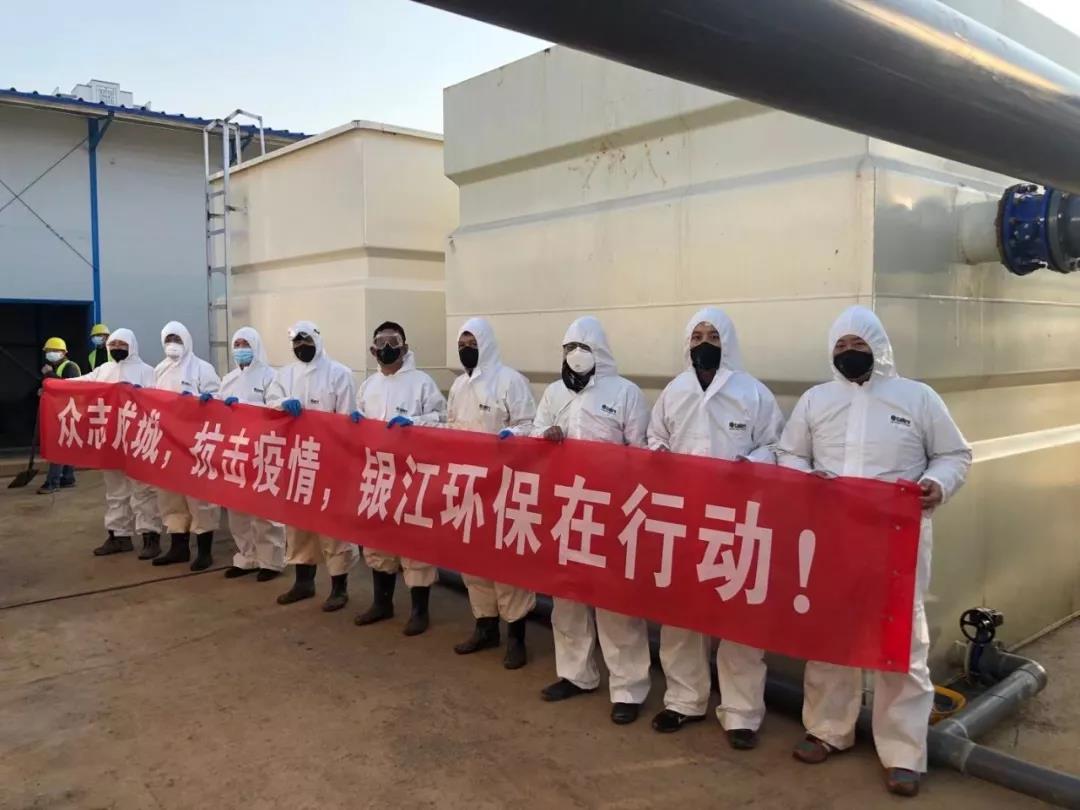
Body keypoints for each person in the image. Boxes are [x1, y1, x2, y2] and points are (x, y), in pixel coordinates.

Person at [777, 305, 971, 798]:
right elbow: (789, 453)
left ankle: (903, 752)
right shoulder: (817, 400)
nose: (849, 353)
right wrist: (808, 479)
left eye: (858, 344)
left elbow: (953, 454)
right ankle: (827, 729)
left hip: (896, 539)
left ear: (879, 347)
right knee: (831, 633)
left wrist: (937, 484)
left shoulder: (917, 397)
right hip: (834, 537)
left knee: (900, 641)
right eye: (841, 346)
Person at [646, 307, 784, 748]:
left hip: (737, 521)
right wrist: (659, 452)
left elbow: (776, 446)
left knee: (738, 619)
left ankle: (741, 713)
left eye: (713, 336)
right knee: (681, 615)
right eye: (697, 336)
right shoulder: (674, 392)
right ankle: (684, 700)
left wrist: (750, 464)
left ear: (728, 342)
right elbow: (655, 437)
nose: (704, 343)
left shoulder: (753, 393)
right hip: (684, 517)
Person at [529, 315, 651, 725]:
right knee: (567, 598)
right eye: (569, 348)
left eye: (584, 348)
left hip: (611, 512)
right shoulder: (553, 393)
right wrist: (546, 437)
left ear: (600, 351)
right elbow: (535, 435)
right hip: (566, 509)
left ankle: (629, 688)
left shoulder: (625, 392)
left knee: (616, 603)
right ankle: (575, 674)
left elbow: (641, 452)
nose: (575, 355)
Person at [446, 317, 537, 668]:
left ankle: (516, 636)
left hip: (505, 486)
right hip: (468, 486)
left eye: (473, 343)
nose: (467, 349)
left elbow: (530, 424)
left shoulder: (511, 381)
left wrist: (514, 437)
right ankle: (485, 626)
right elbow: (450, 427)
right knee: (473, 561)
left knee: (507, 564)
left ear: (487, 344)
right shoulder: (458, 386)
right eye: (462, 344)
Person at [353, 321, 447, 636]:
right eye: (381, 343)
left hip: (412, 476)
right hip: (378, 476)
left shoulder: (422, 383)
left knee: (414, 544)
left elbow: (443, 419)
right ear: (373, 350)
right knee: (378, 542)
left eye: (393, 342)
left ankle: (420, 611)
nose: (387, 348)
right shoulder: (368, 386)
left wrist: (416, 422)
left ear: (404, 347)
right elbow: (358, 423)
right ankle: (382, 603)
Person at [268, 320, 359, 611]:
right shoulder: (285, 374)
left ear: (318, 340)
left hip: (330, 462)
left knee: (333, 527)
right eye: (296, 342)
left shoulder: (339, 374)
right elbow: (270, 402)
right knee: (298, 525)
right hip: (297, 461)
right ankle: (303, 582)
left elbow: (346, 420)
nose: (301, 346)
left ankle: (339, 587)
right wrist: (282, 402)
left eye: (306, 340)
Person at [74, 328, 163, 558]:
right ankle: (119, 536)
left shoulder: (147, 372)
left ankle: (150, 536)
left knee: (144, 490)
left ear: (132, 345)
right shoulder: (104, 370)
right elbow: (81, 383)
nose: (116, 348)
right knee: (115, 491)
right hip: (111, 440)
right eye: (113, 344)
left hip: (138, 440)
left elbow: (161, 401)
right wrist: (55, 384)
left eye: (121, 344)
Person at [217, 327, 286, 582]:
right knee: (237, 508)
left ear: (256, 346)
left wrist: (244, 407)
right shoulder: (228, 379)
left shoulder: (271, 376)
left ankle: (271, 560)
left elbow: (275, 409)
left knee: (265, 509)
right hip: (235, 450)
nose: (241, 349)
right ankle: (247, 556)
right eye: (237, 344)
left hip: (263, 450)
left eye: (245, 344)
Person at [151, 321, 222, 570]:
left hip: (196, 444)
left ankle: (204, 551)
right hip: (167, 444)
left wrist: (205, 400)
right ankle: (178, 547)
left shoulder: (202, 368)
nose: (173, 344)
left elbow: (218, 399)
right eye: (169, 339)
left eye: (177, 339)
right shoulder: (160, 369)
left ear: (187, 341)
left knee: (200, 497)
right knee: (170, 497)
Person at [37, 337, 81, 494]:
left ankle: (52, 482)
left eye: (54, 351)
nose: (51, 353)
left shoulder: (70, 367)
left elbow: (69, 386)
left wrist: (50, 374)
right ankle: (68, 478)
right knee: (65, 445)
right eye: (48, 351)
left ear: (64, 353)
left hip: (68, 412)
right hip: (58, 411)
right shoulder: (54, 368)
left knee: (58, 446)